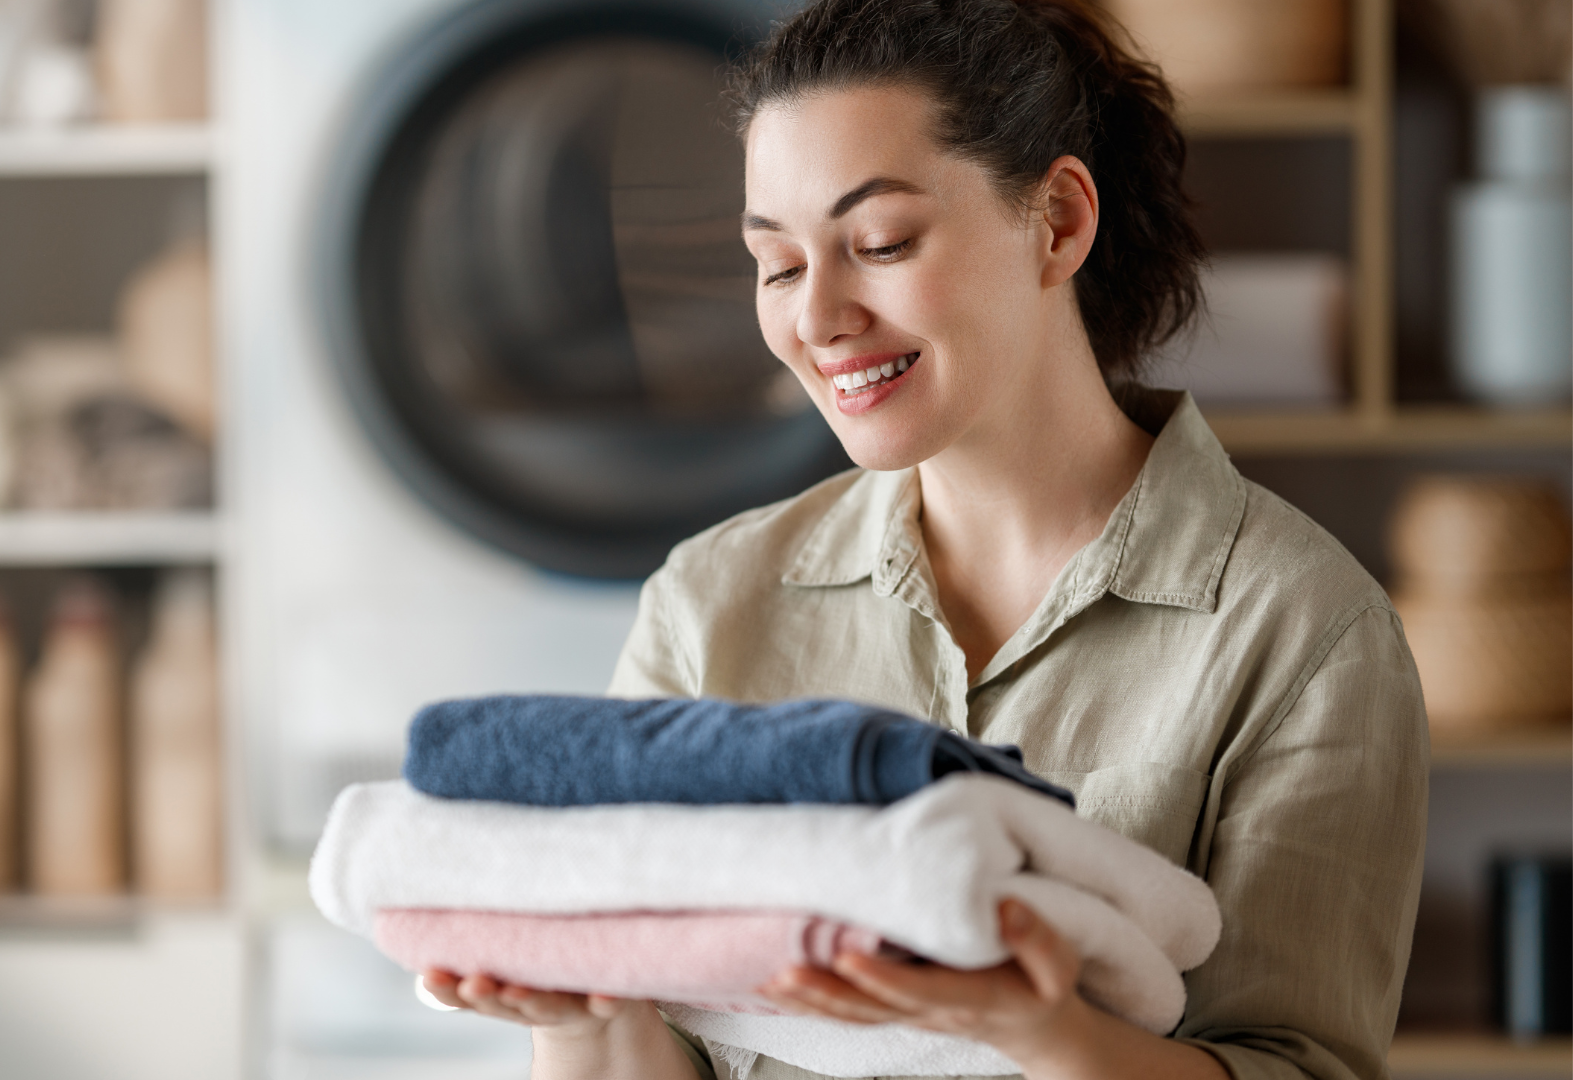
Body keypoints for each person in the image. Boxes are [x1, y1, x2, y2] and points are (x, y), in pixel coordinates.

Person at [420, 0, 1430, 1077]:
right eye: (777, 264)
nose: (817, 319)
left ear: (1058, 221)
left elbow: (1297, 1065)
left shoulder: (1304, 632)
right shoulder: (709, 606)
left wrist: (1038, 1027)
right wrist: (579, 1012)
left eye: (880, 242)